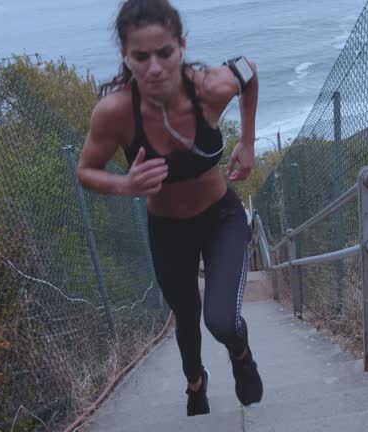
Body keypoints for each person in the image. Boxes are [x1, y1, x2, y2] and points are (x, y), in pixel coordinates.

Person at [75, 0, 262, 417]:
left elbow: (248, 70)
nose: (155, 67)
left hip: (221, 218)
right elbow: (85, 170)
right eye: (141, 57)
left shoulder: (209, 88)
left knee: (220, 320)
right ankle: (195, 384)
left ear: (182, 45)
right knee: (186, 317)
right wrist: (126, 185)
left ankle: (241, 354)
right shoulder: (115, 114)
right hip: (168, 231)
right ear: (126, 56)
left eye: (165, 52)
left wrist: (247, 142)